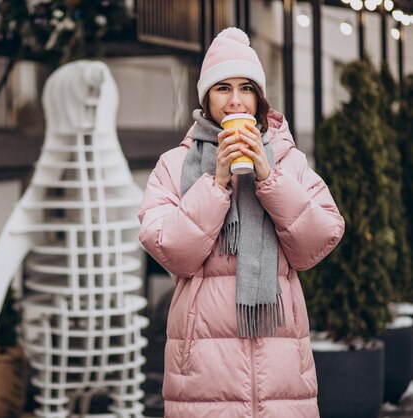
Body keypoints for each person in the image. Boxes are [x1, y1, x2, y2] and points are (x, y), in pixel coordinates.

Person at [138, 27, 344, 417]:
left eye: (246, 88)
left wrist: (269, 178)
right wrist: (214, 184)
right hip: (201, 370)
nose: (235, 101)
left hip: (281, 366)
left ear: (259, 98)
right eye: (223, 88)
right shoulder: (174, 165)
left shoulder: (287, 160)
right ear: (206, 98)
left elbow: (320, 239)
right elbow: (172, 252)